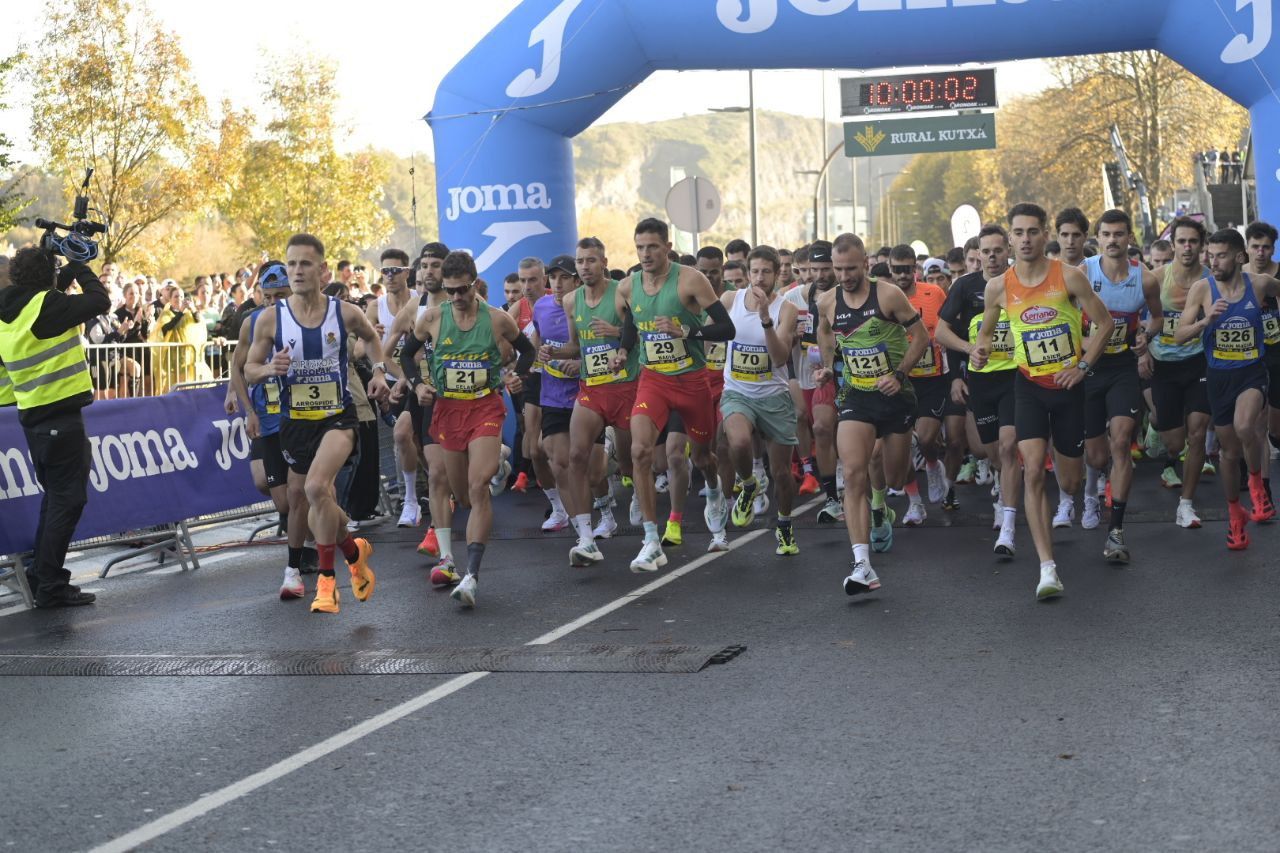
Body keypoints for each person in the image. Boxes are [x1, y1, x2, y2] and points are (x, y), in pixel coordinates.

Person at [971, 203, 1115, 601]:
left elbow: (1105, 324)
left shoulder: (1068, 277)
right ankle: (1047, 567)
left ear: (1043, 233)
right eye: (1019, 232)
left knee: (1068, 479)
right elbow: (985, 331)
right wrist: (980, 350)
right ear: (1011, 237)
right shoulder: (998, 286)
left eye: (1033, 231)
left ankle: (1074, 495)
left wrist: (1084, 367)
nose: (1026, 239)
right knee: (1032, 468)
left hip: (1069, 388)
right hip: (1028, 386)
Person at [243, 233, 390, 615]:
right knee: (311, 498)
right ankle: (352, 551)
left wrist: (378, 372)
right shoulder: (272, 318)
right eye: (291, 264)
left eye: (305, 264)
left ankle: (327, 583)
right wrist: (267, 369)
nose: (296, 271)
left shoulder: (344, 313)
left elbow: (372, 340)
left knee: (315, 486)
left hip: (338, 419)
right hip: (296, 423)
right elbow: (249, 368)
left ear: (322, 270)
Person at [400, 251, 534, 607]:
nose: (457, 298)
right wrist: (417, 385)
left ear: (475, 285)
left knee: (477, 488)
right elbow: (404, 356)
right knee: (459, 494)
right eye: (450, 291)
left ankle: (471, 575)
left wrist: (517, 377)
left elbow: (527, 350)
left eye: (462, 290)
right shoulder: (431, 318)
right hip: (447, 409)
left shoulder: (496, 319)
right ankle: (498, 465)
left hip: (485, 407)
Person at [618, 218, 736, 572]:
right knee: (640, 450)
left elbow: (726, 328)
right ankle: (652, 540)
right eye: (640, 247)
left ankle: (714, 491)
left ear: (667, 247)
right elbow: (631, 328)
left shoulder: (690, 280)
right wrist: (623, 351)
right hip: (653, 381)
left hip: (692, 381)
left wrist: (687, 329)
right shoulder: (627, 286)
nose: (646, 254)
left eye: (652, 246)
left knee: (703, 458)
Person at [815, 232, 929, 596]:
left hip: (895, 397)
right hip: (857, 396)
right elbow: (824, 333)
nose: (844, 275)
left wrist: (899, 375)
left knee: (895, 477)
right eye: (838, 269)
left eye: (851, 268)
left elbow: (923, 337)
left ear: (865, 264)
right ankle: (862, 564)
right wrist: (828, 366)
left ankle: (882, 502)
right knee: (852, 472)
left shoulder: (888, 295)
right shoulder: (827, 301)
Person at [0, 247, 108, 607]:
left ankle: (40, 575)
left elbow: (47, 296)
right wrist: (78, 263)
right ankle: (49, 584)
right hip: (60, 419)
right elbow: (98, 300)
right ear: (47, 278)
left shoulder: (11, 309)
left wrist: (59, 271)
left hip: (35, 420)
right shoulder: (46, 306)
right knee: (68, 500)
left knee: (56, 500)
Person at [1174, 229, 1279, 549]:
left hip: (1251, 372)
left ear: (1238, 257)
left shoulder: (1258, 284)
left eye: (1220, 255)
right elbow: (1179, 335)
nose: (1213, 261)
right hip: (1219, 377)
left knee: (1246, 425)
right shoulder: (1202, 289)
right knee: (1228, 454)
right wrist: (1205, 323)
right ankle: (1235, 514)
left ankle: (1257, 485)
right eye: (1211, 255)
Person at [1079, 209, 1163, 562]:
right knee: (1097, 455)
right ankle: (1089, 492)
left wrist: (1144, 334)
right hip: (1088, 369)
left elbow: (1157, 317)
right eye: (1106, 234)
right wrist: (1084, 345)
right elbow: (1064, 314)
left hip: (1122, 368)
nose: (1113, 240)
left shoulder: (1144, 279)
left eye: (1119, 234)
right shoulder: (1083, 273)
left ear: (1130, 238)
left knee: (1121, 439)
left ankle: (1116, 530)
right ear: (1097, 238)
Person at [936, 223, 1023, 557]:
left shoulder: (1020, 282)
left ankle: (1010, 524)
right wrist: (969, 348)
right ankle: (1002, 488)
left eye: (998, 250)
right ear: (978, 254)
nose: (991, 257)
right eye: (985, 251)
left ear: (1008, 251)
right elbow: (942, 332)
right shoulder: (964, 286)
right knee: (990, 451)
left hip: (1016, 378)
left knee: (1008, 444)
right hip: (982, 380)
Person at [560, 237, 640, 566]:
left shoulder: (623, 291)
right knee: (576, 456)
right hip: (592, 388)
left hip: (625, 386)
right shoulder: (570, 300)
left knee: (628, 462)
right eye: (580, 261)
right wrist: (553, 351)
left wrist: (616, 332)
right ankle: (586, 537)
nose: (585, 266)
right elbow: (575, 345)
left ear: (604, 262)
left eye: (591, 260)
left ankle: (641, 495)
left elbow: (639, 334)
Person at [721, 245, 802, 554]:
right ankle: (748, 484)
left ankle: (784, 525)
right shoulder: (731, 300)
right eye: (754, 271)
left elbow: (780, 358)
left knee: (781, 473)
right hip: (737, 390)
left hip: (774, 395)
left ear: (776, 274)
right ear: (747, 273)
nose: (759, 277)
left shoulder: (786, 309)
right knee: (738, 443)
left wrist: (766, 320)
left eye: (766, 271)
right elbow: (711, 326)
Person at [226, 261, 296, 594]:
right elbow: (237, 366)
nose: (274, 303)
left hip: (300, 416)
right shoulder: (251, 323)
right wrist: (248, 409)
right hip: (267, 418)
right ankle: (301, 523)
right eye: (268, 297)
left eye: (281, 295)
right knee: (274, 494)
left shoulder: (304, 318)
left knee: (305, 490)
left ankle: (308, 548)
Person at [1145, 217, 1214, 527]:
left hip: (1200, 362)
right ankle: (1170, 451)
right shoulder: (1156, 278)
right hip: (1164, 365)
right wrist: (1143, 351)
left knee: (1198, 432)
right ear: (1172, 245)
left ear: (1201, 245)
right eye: (1182, 241)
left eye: (1193, 241)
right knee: (1175, 443)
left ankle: (1186, 504)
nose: (1187, 247)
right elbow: (1138, 319)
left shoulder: (1212, 280)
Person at [890, 247, 962, 521]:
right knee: (903, 444)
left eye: (907, 269)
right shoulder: (884, 297)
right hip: (900, 380)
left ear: (915, 270)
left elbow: (948, 329)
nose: (902, 274)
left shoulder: (934, 294)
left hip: (933, 378)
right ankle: (914, 502)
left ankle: (933, 465)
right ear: (889, 268)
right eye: (897, 269)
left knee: (927, 437)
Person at [784, 240, 842, 523]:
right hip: (818, 374)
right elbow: (778, 338)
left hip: (856, 373)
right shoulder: (795, 297)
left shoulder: (852, 293)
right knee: (819, 426)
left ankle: (875, 496)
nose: (819, 275)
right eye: (814, 269)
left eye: (825, 268)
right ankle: (832, 497)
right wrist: (787, 334)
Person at [367, 248, 424, 529]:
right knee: (400, 440)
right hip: (394, 384)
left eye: (394, 271)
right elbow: (362, 350)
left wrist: (411, 378)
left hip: (421, 380)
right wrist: (372, 338)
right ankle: (409, 499)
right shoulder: (376, 307)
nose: (389, 277)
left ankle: (430, 492)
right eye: (384, 272)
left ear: (407, 272)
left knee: (424, 442)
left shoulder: (419, 301)